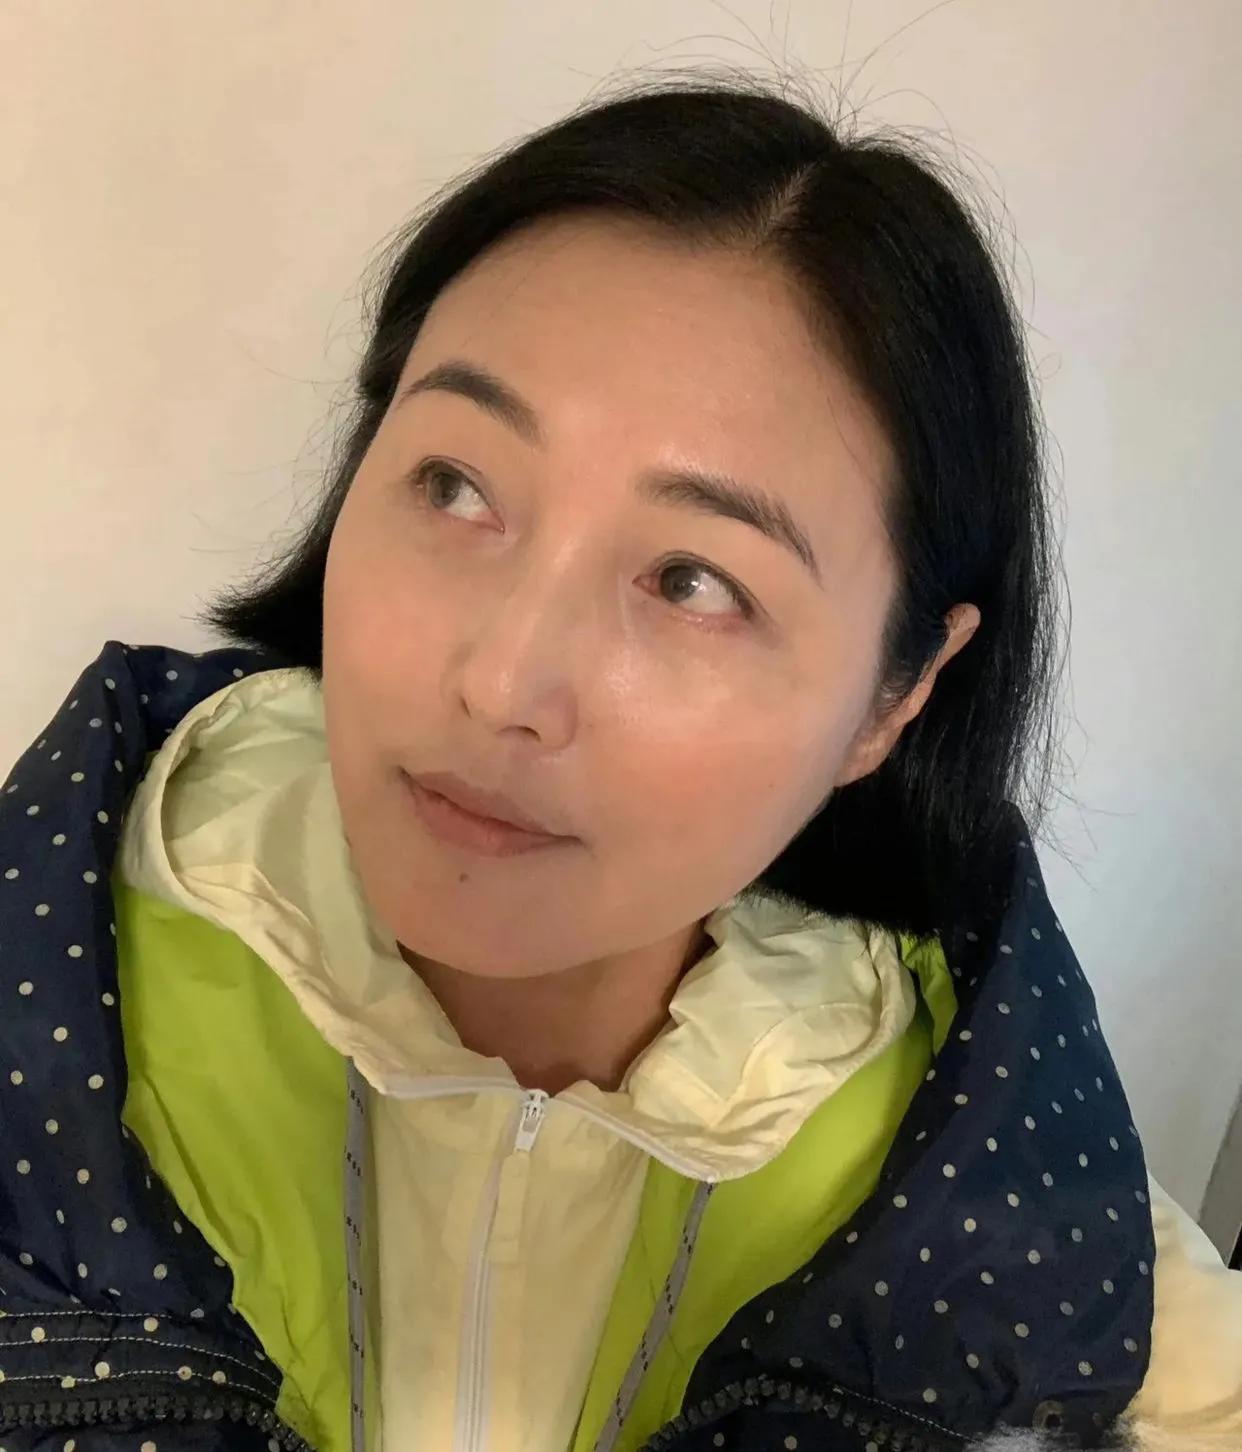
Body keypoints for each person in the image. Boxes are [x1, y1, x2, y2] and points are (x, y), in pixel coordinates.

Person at [1, 76, 1238, 1452]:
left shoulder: (1020, 1230)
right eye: (456, 487)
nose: (501, 682)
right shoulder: (52, 997)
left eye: (694, 580)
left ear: (896, 694)